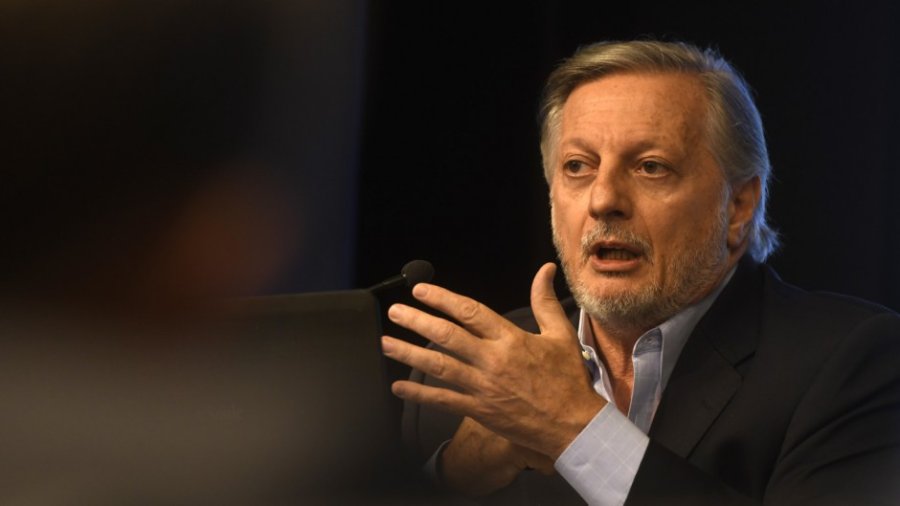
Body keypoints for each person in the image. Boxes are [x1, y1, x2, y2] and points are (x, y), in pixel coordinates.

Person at [381, 40, 900, 505]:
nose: (603, 199)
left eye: (651, 167)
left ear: (738, 206)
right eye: (578, 167)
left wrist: (574, 427)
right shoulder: (469, 372)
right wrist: (452, 475)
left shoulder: (852, 364)